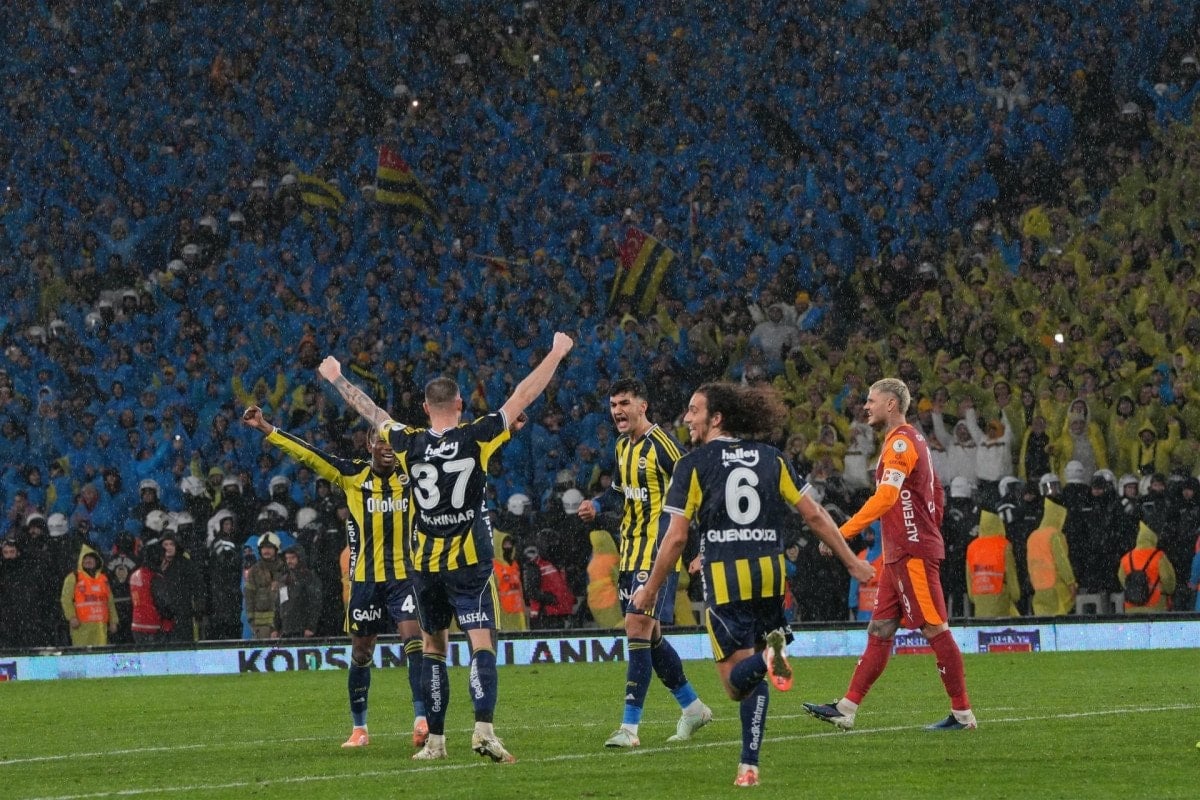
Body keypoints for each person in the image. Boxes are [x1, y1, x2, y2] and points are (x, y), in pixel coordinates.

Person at [319, 331, 574, 764]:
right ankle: (483, 730)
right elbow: (523, 394)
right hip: (469, 561)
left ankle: (436, 742)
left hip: (426, 565)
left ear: (424, 408)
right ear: (459, 404)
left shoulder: (408, 441)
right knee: (481, 644)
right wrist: (556, 352)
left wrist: (336, 377)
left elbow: (371, 410)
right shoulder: (477, 435)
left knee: (434, 649)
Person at [630, 382, 873, 787]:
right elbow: (814, 515)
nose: (687, 418)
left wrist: (650, 590)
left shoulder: (693, 465)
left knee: (734, 684)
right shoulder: (771, 457)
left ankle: (768, 660)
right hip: (770, 573)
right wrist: (851, 561)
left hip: (727, 578)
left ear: (716, 418)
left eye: (694, 410)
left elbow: (674, 538)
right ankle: (748, 766)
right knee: (753, 676)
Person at [242, 405, 428, 749]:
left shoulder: (413, 475)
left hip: (404, 576)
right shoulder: (352, 474)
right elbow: (308, 454)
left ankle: (421, 719)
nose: (387, 447)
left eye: (392, 441)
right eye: (380, 441)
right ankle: (359, 728)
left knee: (414, 641)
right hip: (365, 580)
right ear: (369, 445)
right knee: (361, 652)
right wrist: (267, 428)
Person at [803, 378, 978, 732]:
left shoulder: (901, 442)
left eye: (872, 400)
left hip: (911, 553)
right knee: (880, 628)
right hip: (902, 551)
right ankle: (846, 708)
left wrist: (841, 533)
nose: (866, 406)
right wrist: (926, 528)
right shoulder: (912, 440)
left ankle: (963, 715)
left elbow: (886, 497)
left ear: (891, 404)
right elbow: (936, 493)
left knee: (935, 628)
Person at [576, 377, 712, 749]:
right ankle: (693, 708)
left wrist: (703, 546)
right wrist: (597, 505)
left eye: (624, 403)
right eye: (613, 405)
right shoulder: (623, 446)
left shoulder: (664, 447)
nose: (617, 411)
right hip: (630, 551)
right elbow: (618, 492)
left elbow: (698, 492)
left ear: (642, 406)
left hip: (659, 552)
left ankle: (629, 728)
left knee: (636, 625)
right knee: (648, 637)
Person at [1026, 496, 1077, 616]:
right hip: (1056, 587)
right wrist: (1071, 582)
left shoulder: (1033, 536)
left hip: (1038, 588)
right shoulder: (1054, 535)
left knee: (1044, 621)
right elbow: (1062, 562)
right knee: (1060, 621)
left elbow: (1030, 563)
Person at [966, 510, 1021, 617]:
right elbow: (1012, 579)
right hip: (1001, 602)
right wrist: (1015, 595)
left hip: (980, 603)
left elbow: (970, 582)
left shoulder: (972, 547)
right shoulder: (1004, 545)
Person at [60, 549, 118, 646]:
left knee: (100, 654)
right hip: (81, 627)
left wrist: (113, 621)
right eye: (85, 558)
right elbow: (65, 599)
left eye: (91, 558)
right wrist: (72, 617)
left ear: (97, 561)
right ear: (81, 561)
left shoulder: (103, 579)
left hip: (100, 628)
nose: (88, 561)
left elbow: (110, 602)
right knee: (82, 653)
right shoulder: (74, 577)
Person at [1117, 522, 1175, 613]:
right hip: (1155, 607)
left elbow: (1122, 578)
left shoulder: (1126, 558)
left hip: (1131, 608)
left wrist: (1135, 589)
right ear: (1153, 538)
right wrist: (1165, 590)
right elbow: (1169, 580)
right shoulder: (1159, 557)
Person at [521, 541, 575, 629]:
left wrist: (569, 599)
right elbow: (531, 591)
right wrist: (550, 598)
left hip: (558, 612)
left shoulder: (551, 564)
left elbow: (560, 586)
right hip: (546, 613)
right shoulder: (533, 566)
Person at [272, 544, 323, 637]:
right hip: (286, 630)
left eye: (292, 558)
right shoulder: (284, 580)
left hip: (303, 631)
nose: (289, 561)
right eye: (287, 558)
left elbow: (315, 604)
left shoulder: (309, 577)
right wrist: (275, 628)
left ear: (300, 558)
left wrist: (311, 627)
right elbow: (279, 606)